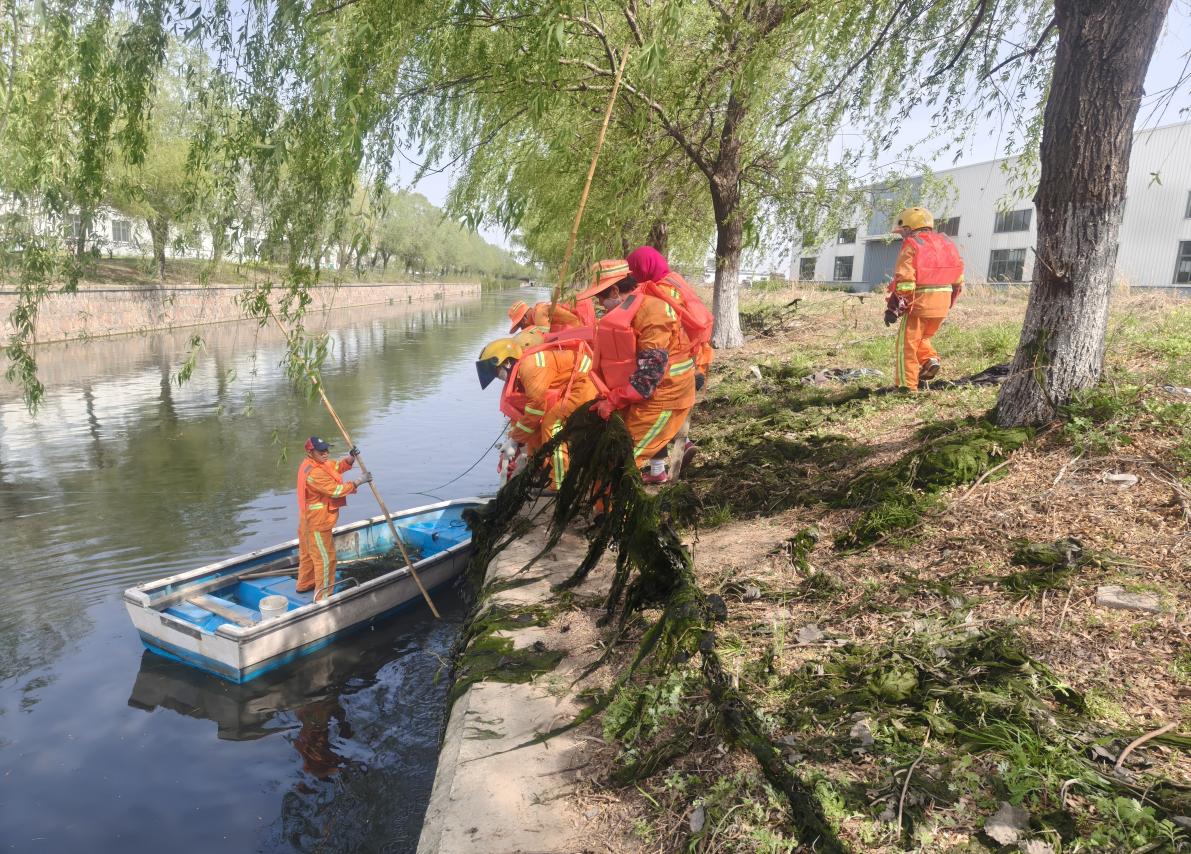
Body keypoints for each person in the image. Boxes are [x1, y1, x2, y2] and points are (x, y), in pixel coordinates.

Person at [577, 246, 704, 484]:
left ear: (615, 290)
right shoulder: (629, 311)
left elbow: (647, 379)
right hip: (641, 396)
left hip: (666, 396)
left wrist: (613, 400)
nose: (600, 304)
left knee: (619, 460)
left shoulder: (653, 312)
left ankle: (619, 505)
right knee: (608, 454)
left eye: (600, 298)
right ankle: (612, 502)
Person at [476, 336, 599, 490]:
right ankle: (542, 471)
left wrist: (515, 440)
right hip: (573, 381)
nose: (498, 377)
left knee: (552, 424)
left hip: (585, 380)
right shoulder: (519, 372)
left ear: (506, 362)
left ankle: (560, 483)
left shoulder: (530, 368)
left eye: (497, 372)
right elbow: (524, 415)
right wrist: (514, 438)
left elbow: (535, 409)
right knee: (535, 430)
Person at [883, 206, 965, 390]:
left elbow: (905, 281)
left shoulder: (912, 245)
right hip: (942, 304)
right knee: (923, 338)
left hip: (919, 304)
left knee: (907, 346)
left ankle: (906, 386)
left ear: (909, 228)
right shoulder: (946, 244)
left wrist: (893, 308)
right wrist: (949, 302)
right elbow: (958, 278)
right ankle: (929, 361)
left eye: (902, 232)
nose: (902, 236)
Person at [296, 436, 371, 601]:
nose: (325, 454)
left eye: (326, 450)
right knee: (325, 559)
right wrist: (358, 482)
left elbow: (336, 466)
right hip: (317, 522)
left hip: (307, 520)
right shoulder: (314, 473)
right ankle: (323, 596)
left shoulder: (315, 463)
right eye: (321, 451)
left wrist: (350, 458)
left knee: (308, 555)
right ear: (310, 452)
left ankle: (305, 584)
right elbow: (335, 491)